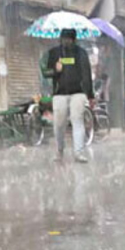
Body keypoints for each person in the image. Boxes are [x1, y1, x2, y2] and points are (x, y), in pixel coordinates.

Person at [42, 28, 94, 163]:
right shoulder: (53, 53)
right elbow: (46, 73)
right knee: (59, 124)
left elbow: (86, 74)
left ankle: (78, 152)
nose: (66, 41)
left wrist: (90, 95)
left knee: (77, 121)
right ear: (60, 39)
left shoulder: (81, 53)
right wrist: (55, 70)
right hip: (59, 94)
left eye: (69, 39)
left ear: (74, 40)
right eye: (64, 39)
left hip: (78, 93)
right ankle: (60, 150)